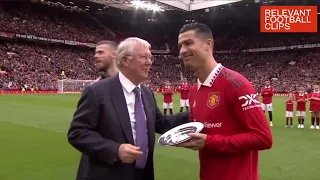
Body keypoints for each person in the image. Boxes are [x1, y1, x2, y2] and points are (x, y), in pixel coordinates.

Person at [67, 37, 189, 180]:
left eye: (150, 57)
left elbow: (161, 123)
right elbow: (77, 132)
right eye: (143, 57)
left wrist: (197, 112)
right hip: (108, 175)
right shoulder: (97, 91)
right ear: (125, 60)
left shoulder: (146, 92)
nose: (149, 62)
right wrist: (115, 150)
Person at [175, 23, 273, 180]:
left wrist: (210, 142)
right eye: (180, 46)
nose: (182, 51)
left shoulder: (237, 84)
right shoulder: (194, 91)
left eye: (188, 43)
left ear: (208, 44)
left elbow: (263, 138)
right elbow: (204, 134)